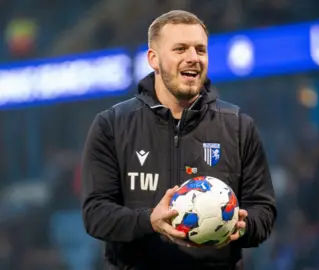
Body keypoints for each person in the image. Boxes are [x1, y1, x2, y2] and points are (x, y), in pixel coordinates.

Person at [81, 10, 277, 270]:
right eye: (180, 49)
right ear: (154, 59)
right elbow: (95, 214)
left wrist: (243, 225)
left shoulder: (239, 126)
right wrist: (149, 221)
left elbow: (263, 210)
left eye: (200, 50)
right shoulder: (112, 125)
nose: (193, 58)